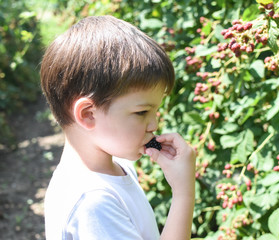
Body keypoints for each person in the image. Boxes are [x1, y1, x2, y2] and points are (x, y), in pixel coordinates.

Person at [40, 15, 196, 240]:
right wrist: (184, 194)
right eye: (142, 112)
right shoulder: (94, 203)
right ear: (88, 114)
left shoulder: (117, 168)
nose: (154, 124)